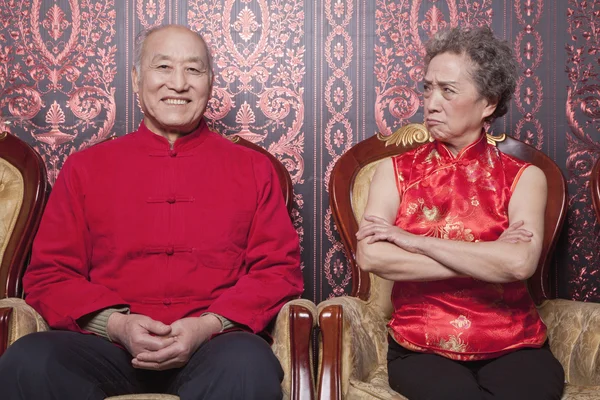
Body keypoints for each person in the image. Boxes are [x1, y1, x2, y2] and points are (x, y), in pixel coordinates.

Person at [0, 24, 303, 400]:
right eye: (163, 67)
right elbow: (49, 274)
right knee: (28, 360)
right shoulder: (85, 168)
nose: (178, 83)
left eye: (193, 69)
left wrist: (205, 326)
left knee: (248, 363)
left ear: (210, 82)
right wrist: (117, 326)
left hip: (216, 346)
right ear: (136, 79)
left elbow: (278, 272)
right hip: (107, 349)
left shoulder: (254, 170)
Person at [356, 26, 564, 400]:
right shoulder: (393, 171)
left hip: (516, 344)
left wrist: (412, 242)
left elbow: (518, 265)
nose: (431, 102)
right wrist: (487, 257)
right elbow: (372, 254)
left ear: (488, 102)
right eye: (427, 88)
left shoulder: (525, 178)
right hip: (421, 346)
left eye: (448, 90)